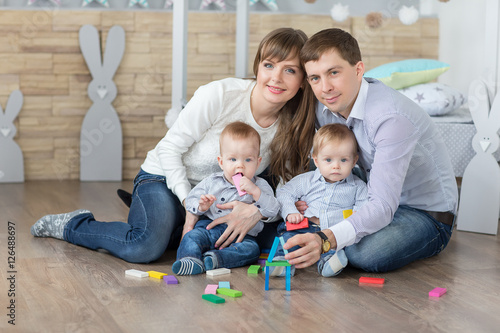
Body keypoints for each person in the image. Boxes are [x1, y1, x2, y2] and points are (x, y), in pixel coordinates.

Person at [30, 28, 316, 263]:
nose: (276, 77)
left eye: (290, 70)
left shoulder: (294, 125)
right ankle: (75, 225)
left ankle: (171, 227)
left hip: (221, 197)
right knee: (145, 246)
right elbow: (169, 150)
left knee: (275, 239)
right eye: (269, 65)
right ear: (258, 66)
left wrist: (257, 211)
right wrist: (189, 203)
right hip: (166, 180)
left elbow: (284, 185)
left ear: (303, 81)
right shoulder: (219, 95)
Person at [282, 28, 459, 273]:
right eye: (315, 78)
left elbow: (383, 205)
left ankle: (334, 238)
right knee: (322, 156)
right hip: (367, 194)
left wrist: (325, 239)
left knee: (366, 254)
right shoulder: (325, 106)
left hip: (423, 213)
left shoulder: (391, 119)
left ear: (358, 70)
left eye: (334, 72)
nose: (325, 88)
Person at [173, 122, 280, 275]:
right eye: (233, 159)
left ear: (258, 162)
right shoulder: (212, 182)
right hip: (209, 228)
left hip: (242, 237)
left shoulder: (260, 185)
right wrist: (201, 205)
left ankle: (215, 259)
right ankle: (189, 260)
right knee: (192, 236)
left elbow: (274, 209)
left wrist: (255, 192)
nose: (240, 166)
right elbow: (191, 200)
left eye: (248, 160)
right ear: (221, 162)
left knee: (251, 250)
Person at [271, 123, 367, 278]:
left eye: (343, 160)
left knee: (332, 249)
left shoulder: (358, 187)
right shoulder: (306, 180)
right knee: (288, 240)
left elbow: (364, 209)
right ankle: (282, 262)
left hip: (332, 232)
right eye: (328, 160)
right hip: (303, 226)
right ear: (316, 160)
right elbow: (284, 193)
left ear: (354, 161)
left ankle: (328, 263)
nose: (336, 166)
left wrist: (351, 219)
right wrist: (291, 212)